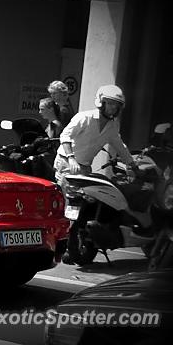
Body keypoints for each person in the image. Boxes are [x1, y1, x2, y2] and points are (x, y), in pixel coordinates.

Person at [54, 85, 140, 264]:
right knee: (69, 205)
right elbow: (65, 136)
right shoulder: (84, 117)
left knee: (85, 206)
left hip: (84, 167)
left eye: (116, 105)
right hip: (66, 162)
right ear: (101, 102)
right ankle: (60, 245)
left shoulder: (112, 125)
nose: (112, 108)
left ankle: (78, 242)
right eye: (109, 104)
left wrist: (132, 164)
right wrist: (71, 159)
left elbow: (119, 145)